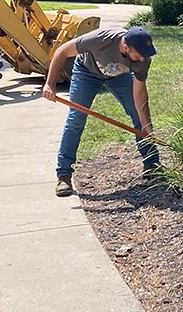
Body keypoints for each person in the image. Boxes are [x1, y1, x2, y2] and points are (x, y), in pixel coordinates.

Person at [42, 27, 160, 196]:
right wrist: (50, 84)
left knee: (138, 115)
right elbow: (62, 52)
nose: (142, 58)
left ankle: (152, 165)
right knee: (76, 119)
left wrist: (147, 126)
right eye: (139, 54)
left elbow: (140, 94)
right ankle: (64, 174)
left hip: (118, 77)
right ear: (125, 47)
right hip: (87, 72)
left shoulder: (143, 60)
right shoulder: (99, 40)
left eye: (145, 54)